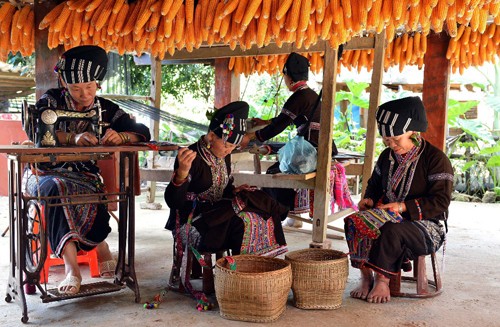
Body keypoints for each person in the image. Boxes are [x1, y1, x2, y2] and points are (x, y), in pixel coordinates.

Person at [24, 45, 151, 295]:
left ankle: (100, 243)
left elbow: (143, 131)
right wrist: (72, 137)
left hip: (84, 175)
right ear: (65, 85)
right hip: (43, 174)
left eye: (89, 88)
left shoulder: (106, 109)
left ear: (98, 85)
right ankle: (73, 270)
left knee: (95, 189)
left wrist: (122, 137)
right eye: (76, 89)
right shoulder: (51, 101)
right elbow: (36, 130)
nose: (84, 95)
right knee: (57, 188)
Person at [344, 96, 453, 304]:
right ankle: (366, 278)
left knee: (391, 230)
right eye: (387, 140)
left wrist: (403, 207)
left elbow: (440, 201)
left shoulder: (436, 159)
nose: (391, 144)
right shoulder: (387, 157)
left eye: (396, 139)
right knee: (355, 221)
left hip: (426, 225)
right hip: (389, 216)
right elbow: (374, 183)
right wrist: (368, 199)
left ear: (413, 131)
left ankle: (382, 280)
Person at [164, 101, 288, 257]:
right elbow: (174, 203)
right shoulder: (190, 157)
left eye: (232, 148)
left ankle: (251, 272)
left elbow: (224, 187)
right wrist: (181, 173)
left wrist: (235, 190)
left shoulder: (223, 156)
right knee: (242, 223)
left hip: (217, 214)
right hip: (193, 223)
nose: (229, 151)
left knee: (257, 215)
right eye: (226, 146)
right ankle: (237, 275)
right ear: (211, 136)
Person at [239, 51, 340, 227]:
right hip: (319, 147)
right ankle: (289, 215)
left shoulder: (298, 97)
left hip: (312, 151)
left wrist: (252, 136)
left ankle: (277, 214)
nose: (284, 79)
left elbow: (279, 126)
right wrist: (265, 122)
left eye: (284, 75)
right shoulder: (310, 95)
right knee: (279, 161)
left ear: (289, 76)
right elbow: (289, 119)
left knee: (274, 173)